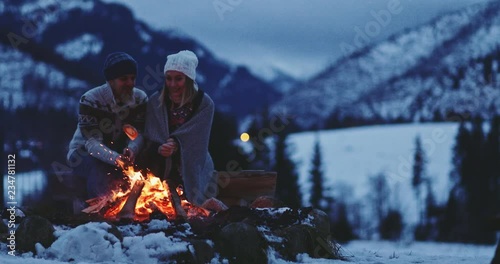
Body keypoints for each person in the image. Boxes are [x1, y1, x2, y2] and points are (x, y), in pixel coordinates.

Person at [139, 50, 217, 205]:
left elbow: (198, 138)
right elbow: (149, 134)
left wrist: (176, 143)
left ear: (188, 79)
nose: (172, 85)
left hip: (193, 159)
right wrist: (159, 147)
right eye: (168, 78)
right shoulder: (156, 101)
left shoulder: (204, 104)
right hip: (159, 160)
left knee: (197, 197)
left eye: (178, 79)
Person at [67, 52, 148, 199]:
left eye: (132, 78)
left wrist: (132, 149)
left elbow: (138, 133)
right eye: (124, 79)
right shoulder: (90, 99)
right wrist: (116, 159)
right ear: (111, 81)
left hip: (121, 152)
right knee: (101, 169)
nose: (130, 83)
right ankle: (97, 213)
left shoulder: (140, 98)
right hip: (82, 152)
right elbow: (91, 143)